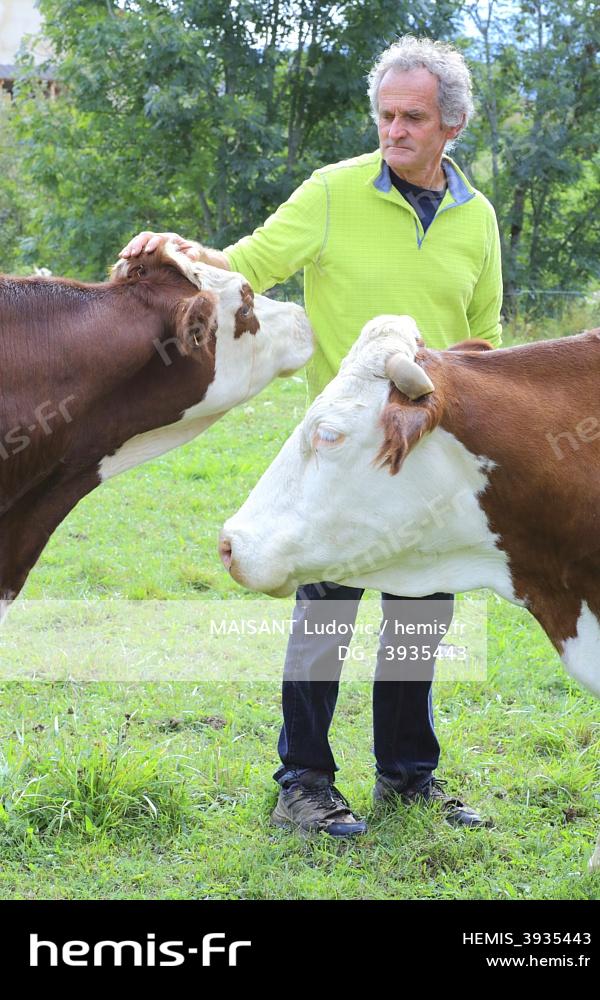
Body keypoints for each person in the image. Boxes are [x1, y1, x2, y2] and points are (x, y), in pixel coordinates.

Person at [121, 35, 502, 837]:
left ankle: (408, 775)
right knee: (325, 615)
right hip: (341, 458)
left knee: (418, 617)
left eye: (412, 118)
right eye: (385, 116)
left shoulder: (479, 219)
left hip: (428, 457)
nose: (394, 131)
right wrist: (177, 249)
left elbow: (484, 339)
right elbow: (249, 261)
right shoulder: (332, 192)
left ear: (452, 128)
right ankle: (304, 782)